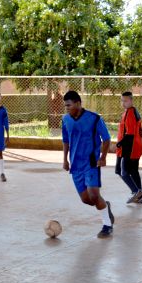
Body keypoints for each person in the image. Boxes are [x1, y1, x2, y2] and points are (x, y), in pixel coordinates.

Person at [61, 91, 115, 238]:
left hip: (91, 163)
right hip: (75, 165)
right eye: (65, 106)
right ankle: (105, 206)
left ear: (78, 103)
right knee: (86, 200)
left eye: (69, 105)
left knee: (94, 194)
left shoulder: (95, 119)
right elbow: (66, 141)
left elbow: (106, 139)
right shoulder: (65, 120)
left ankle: (107, 225)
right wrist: (65, 159)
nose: (66, 108)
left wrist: (103, 157)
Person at [115, 91, 142, 204]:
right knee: (133, 171)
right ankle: (140, 196)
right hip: (134, 147)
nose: (123, 103)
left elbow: (130, 134)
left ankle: (136, 191)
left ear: (131, 101)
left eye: (126, 101)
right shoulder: (128, 112)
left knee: (122, 171)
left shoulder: (130, 113)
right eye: (122, 100)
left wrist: (118, 144)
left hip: (129, 148)